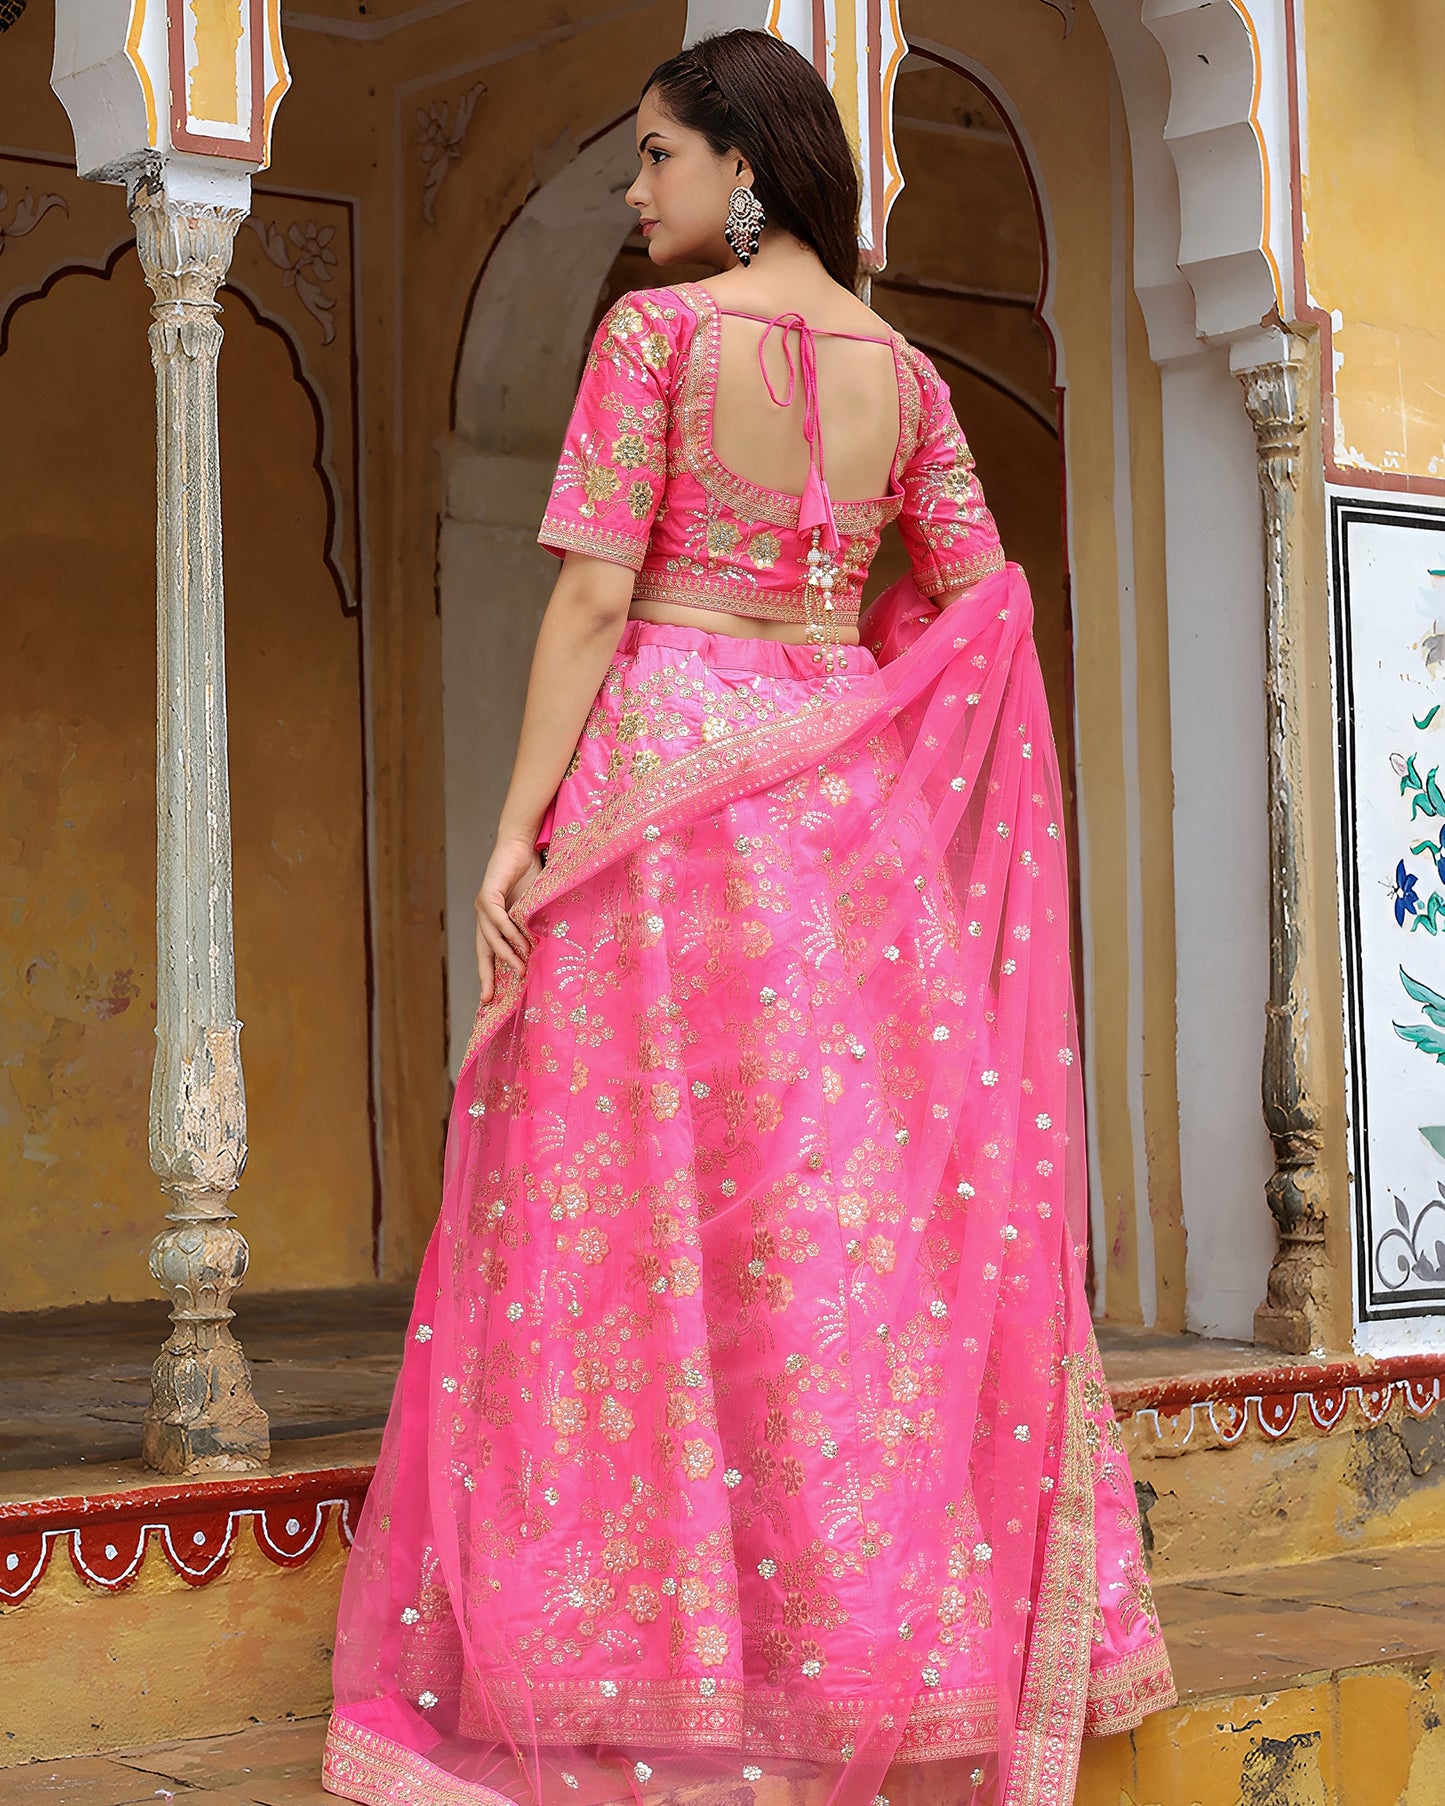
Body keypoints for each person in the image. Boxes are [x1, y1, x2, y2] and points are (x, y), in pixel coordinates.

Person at [322, 29, 1174, 1806]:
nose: (637, 193)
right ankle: (845, 1651)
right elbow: (985, 602)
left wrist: (513, 833)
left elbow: (591, 600)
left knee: (634, 1220)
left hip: (664, 817)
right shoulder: (911, 376)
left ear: (746, 167)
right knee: (824, 1234)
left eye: (655, 158)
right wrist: (854, 708)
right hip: (835, 829)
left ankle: (647, 1656)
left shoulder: (655, 340)